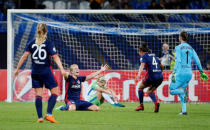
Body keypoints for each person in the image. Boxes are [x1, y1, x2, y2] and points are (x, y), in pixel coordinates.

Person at [14, 23, 65, 123]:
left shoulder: (31, 43)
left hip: (35, 72)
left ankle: (40, 117)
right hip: (46, 71)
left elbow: (24, 56)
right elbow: (55, 57)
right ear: (46, 32)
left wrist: (17, 69)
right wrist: (62, 69)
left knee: (38, 95)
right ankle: (49, 114)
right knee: (55, 91)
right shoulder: (49, 43)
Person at [169, 31, 209, 115]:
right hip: (189, 73)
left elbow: (178, 60)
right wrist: (201, 71)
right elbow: (197, 60)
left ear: (180, 37)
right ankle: (184, 110)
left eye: (179, 36)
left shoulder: (178, 47)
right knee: (180, 89)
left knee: (172, 90)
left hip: (181, 72)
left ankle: (183, 93)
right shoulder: (191, 48)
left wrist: (174, 72)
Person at [135, 43, 164, 113]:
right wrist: (159, 72)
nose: (139, 53)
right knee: (149, 91)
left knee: (140, 87)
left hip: (151, 76)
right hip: (160, 77)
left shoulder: (144, 57)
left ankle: (141, 105)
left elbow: (141, 66)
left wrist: (138, 74)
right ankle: (156, 103)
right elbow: (162, 66)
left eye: (139, 52)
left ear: (141, 51)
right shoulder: (154, 56)